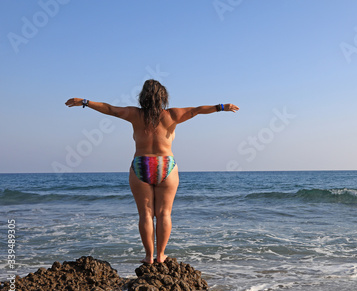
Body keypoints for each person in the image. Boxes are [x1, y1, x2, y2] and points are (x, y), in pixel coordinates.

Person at [66, 79, 239, 264]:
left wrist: (85, 102)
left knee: (146, 214)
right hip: (166, 164)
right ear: (163, 96)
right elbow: (196, 110)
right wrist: (221, 106)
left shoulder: (135, 114)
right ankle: (161, 255)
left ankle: (149, 257)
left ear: (143, 97)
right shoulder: (172, 114)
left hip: (141, 163)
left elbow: (110, 109)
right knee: (164, 213)